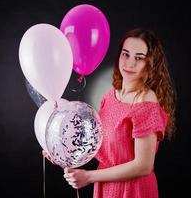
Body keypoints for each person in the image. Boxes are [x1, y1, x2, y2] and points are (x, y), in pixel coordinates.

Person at [43, 28, 176, 198]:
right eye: (125, 54)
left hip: (134, 191)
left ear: (150, 63)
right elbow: (101, 146)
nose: (129, 63)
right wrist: (62, 153)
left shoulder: (145, 101)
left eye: (139, 58)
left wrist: (89, 176)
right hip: (106, 187)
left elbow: (144, 165)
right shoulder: (110, 96)